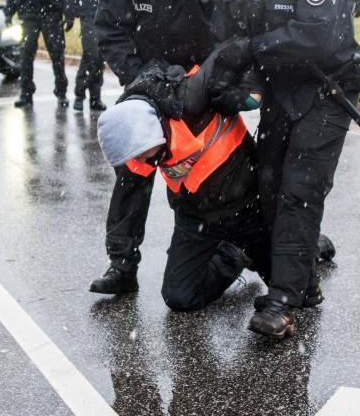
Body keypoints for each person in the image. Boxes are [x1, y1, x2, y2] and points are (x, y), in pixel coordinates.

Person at [213, 0, 360, 338]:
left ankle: (282, 300)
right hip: (281, 87)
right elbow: (228, 26)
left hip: (328, 86)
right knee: (270, 181)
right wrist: (232, 76)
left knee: (301, 187)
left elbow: (316, 36)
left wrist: (254, 48)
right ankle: (305, 285)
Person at [91, 0, 229, 294]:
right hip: (145, 85)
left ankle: (215, 251)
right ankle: (122, 263)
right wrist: (137, 77)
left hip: (198, 87)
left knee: (201, 175)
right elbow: (109, 28)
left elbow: (234, 29)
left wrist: (206, 79)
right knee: (132, 172)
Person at [96, 56, 271, 312]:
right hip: (195, 214)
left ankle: (310, 247)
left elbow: (239, 49)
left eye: (143, 153)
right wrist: (137, 72)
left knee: (293, 279)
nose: (142, 160)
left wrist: (249, 88)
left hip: (245, 204)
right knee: (179, 297)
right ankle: (234, 255)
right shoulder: (140, 131)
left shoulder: (194, 97)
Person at [4, 0, 69, 108]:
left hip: (51, 16)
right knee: (25, 57)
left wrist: (65, 11)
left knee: (57, 55)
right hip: (28, 17)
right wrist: (9, 13)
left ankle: (61, 93)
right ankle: (26, 93)